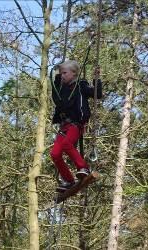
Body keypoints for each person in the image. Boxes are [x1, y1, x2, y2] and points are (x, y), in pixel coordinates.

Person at [50, 60, 102, 192]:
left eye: (64, 73)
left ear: (73, 73)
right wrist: (57, 77)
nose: (62, 76)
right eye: (60, 74)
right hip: (63, 126)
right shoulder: (61, 89)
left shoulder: (80, 86)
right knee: (55, 153)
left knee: (67, 145)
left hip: (75, 123)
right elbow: (55, 97)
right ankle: (68, 180)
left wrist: (97, 79)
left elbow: (97, 94)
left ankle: (83, 167)